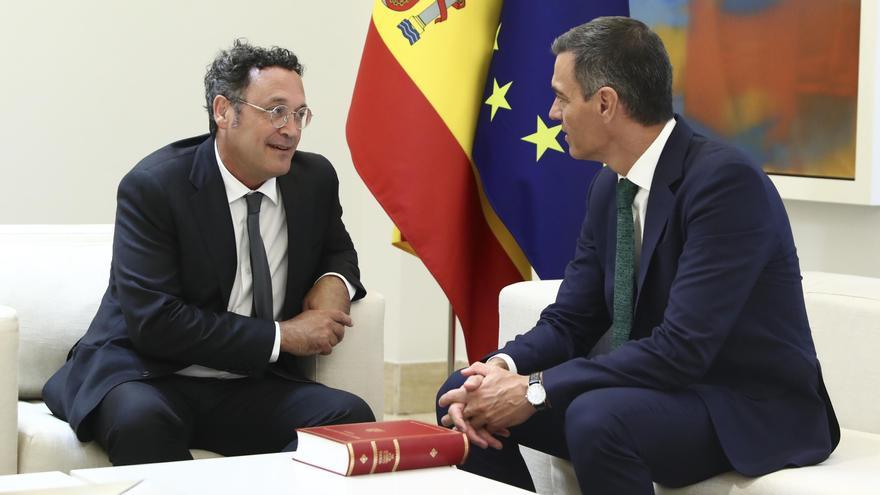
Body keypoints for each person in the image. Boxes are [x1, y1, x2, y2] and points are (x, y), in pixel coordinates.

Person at [436, 17, 839, 494]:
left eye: (562, 97)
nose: (551, 112)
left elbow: (682, 350)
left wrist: (535, 388)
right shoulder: (610, 186)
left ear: (605, 103)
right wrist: (503, 367)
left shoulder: (725, 184)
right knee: (461, 393)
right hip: (658, 389)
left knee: (597, 418)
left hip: (744, 403)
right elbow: (572, 319)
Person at [43, 39, 374, 465]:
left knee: (349, 419)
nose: (291, 129)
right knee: (139, 421)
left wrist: (333, 286)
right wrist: (284, 336)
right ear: (224, 111)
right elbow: (156, 322)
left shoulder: (313, 180)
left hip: (247, 383)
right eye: (275, 111)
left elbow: (337, 251)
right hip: (150, 373)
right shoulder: (156, 187)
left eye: (299, 114)